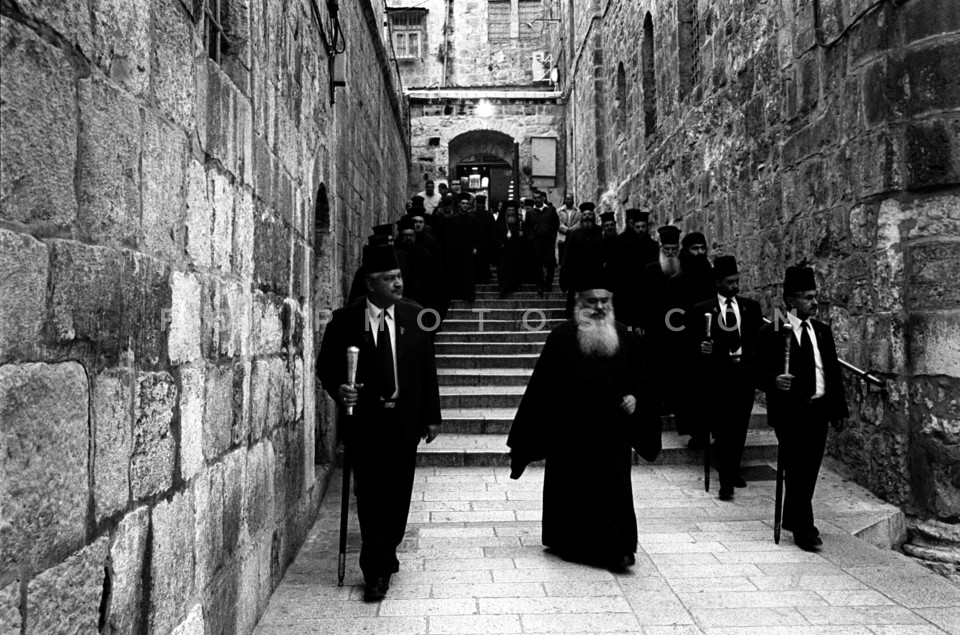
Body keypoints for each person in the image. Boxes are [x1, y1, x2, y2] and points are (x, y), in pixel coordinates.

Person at [507, 266, 658, 570]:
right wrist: (523, 442)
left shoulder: (624, 335)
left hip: (612, 432)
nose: (599, 306)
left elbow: (642, 374)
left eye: (604, 300)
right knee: (574, 493)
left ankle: (619, 547)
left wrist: (634, 396)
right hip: (571, 435)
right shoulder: (561, 338)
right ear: (579, 302)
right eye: (592, 301)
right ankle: (574, 543)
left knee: (614, 489)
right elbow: (541, 389)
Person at [316, 243, 442, 601]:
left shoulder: (416, 316)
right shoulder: (344, 321)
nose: (398, 283)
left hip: (405, 420)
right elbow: (326, 367)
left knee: (399, 497)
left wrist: (432, 416)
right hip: (366, 423)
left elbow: (426, 369)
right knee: (372, 496)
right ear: (371, 284)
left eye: (399, 276)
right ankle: (375, 571)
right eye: (389, 278)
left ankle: (387, 549)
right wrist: (339, 389)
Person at [751, 265, 848, 551]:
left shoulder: (822, 331)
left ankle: (791, 517)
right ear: (791, 300)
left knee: (810, 469)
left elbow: (831, 372)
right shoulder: (774, 330)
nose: (815, 302)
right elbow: (753, 370)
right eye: (808, 297)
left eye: (815, 296)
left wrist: (838, 410)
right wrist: (773, 380)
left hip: (818, 411)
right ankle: (805, 530)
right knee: (796, 470)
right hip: (790, 413)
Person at [693, 255, 763, 501]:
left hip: (743, 374)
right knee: (723, 428)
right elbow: (691, 342)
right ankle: (725, 482)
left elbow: (757, 341)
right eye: (730, 282)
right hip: (719, 376)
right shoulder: (703, 309)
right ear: (718, 282)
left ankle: (732, 470)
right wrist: (701, 348)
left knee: (740, 426)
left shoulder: (750, 308)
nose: (735, 287)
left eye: (737, 281)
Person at [665, 231, 716, 448]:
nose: (700, 253)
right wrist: (687, 341)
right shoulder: (677, 281)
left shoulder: (713, 277)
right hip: (687, 345)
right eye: (695, 249)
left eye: (702, 248)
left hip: (713, 342)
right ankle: (698, 433)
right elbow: (673, 317)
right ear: (686, 251)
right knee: (691, 393)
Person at [611, 209, 659, 331]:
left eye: (643, 226)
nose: (640, 230)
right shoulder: (626, 247)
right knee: (630, 330)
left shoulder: (654, 247)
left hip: (650, 296)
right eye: (637, 227)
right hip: (630, 296)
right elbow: (619, 274)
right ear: (634, 228)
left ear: (647, 227)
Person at [558, 203, 602, 317]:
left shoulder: (600, 232)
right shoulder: (574, 235)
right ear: (581, 217)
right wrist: (564, 280)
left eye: (589, 214)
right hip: (577, 281)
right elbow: (567, 258)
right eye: (585, 215)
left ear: (593, 216)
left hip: (596, 280)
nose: (587, 217)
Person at [527, 192, 560, 297]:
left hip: (548, 240)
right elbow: (528, 226)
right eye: (535, 198)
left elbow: (556, 223)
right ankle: (540, 284)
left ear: (543, 198)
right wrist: (532, 237)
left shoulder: (550, 210)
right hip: (536, 241)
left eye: (538, 198)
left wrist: (553, 235)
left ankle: (548, 282)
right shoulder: (530, 212)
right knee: (538, 264)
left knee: (550, 263)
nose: (536, 200)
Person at [495, 201, 523, 296]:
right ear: (506, 211)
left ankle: (513, 286)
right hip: (503, 250)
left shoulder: (518, 223)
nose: (511, 212)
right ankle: (503, 287)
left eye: (513, 210)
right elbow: (495, 234)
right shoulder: (500, 222)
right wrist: (500, 243)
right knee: (502, 270)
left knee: (514, 268)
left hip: (514, 250)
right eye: (509, 210)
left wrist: (521, 234)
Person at [556, 194, 579, 267]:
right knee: (563, 260)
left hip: (574, 237)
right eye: (568, 199)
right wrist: (567, 230)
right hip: (563, 238)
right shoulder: (559, 211)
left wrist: (572, 230)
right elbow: (558, 223)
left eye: (571, 199)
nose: (569, 201)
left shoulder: (578, 211)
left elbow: (579, 222)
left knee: (573, 259)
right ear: (565, 200)